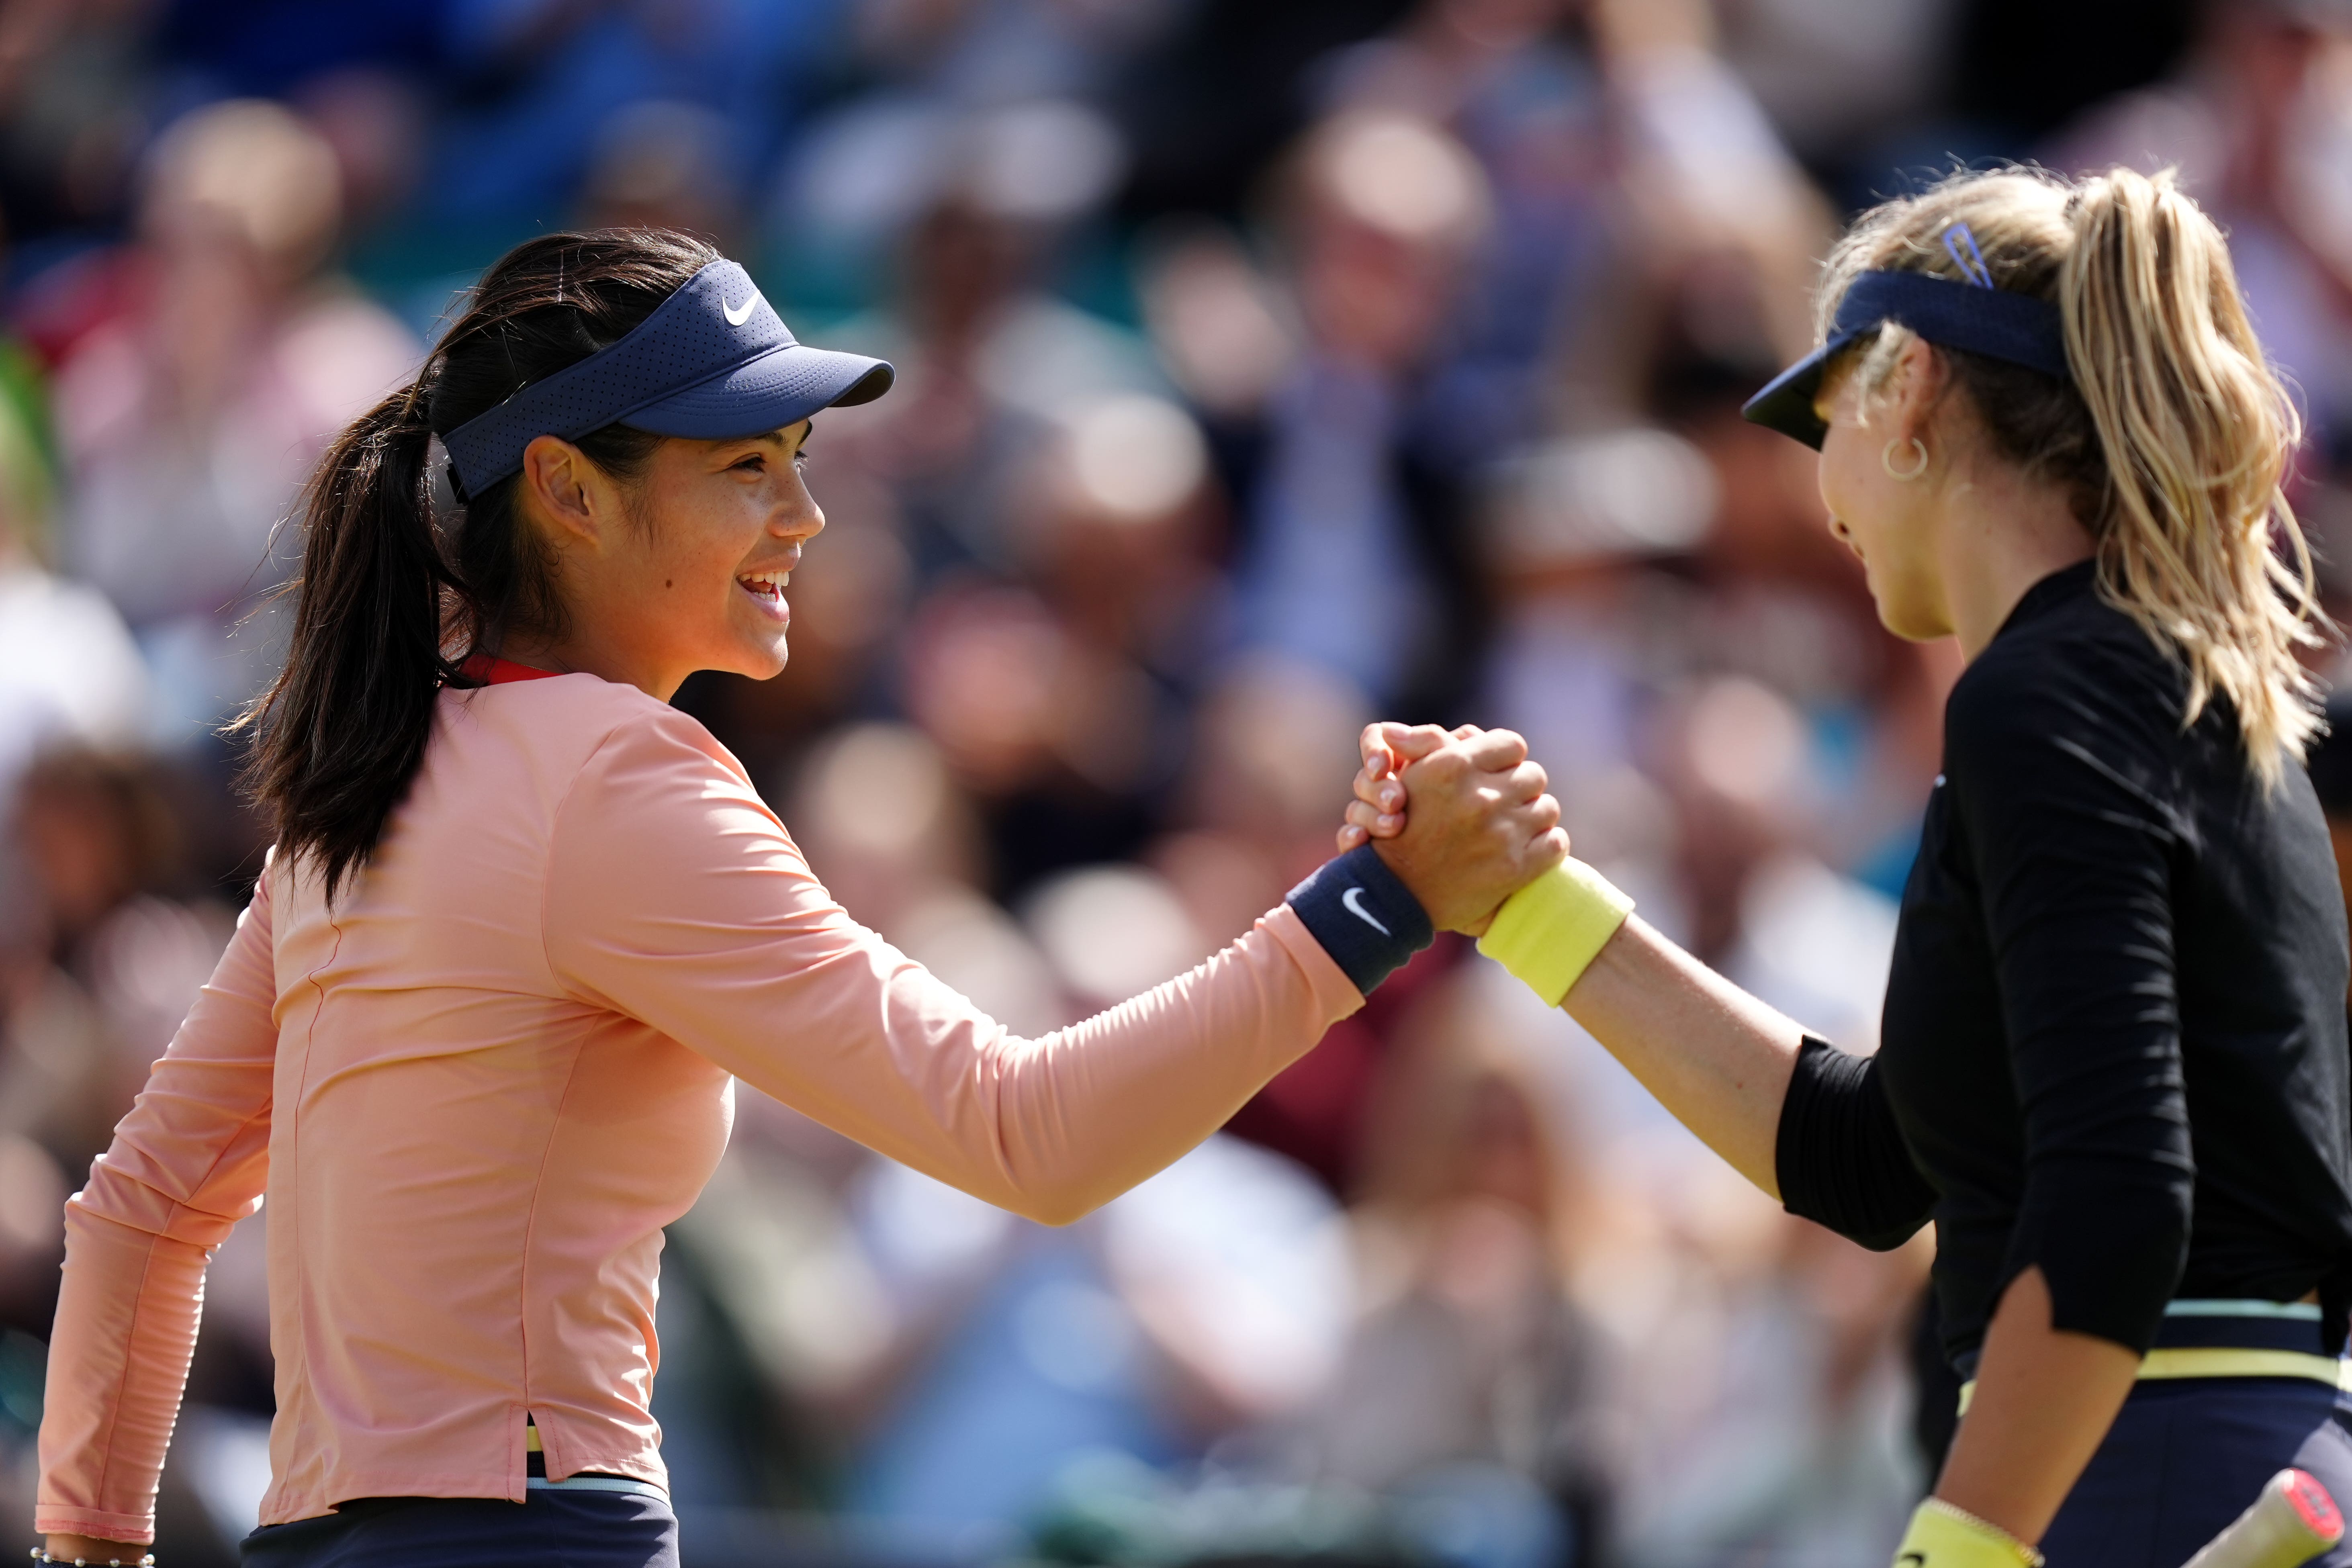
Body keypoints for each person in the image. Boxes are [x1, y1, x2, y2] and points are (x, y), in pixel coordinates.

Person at [31, 228, 1569, 1568]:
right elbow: (1023, 1135)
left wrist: (92, 1537)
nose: (803, 517)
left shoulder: (358, 794)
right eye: (743, 468)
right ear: (565, 489)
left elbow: (141, 1213)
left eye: (800, 464)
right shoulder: (623, 777)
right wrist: (1378, 905)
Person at [1345, 166, 2352, 1566]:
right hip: (2227, 1467)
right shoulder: (2156, 694)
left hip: (2141, 1480)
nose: (1814, 488)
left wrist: (1965, 1542)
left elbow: (2119, 1199)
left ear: (1913, 391)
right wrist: (1522, 902)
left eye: (1822, 421)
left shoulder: (2044, 699)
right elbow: (1872, 1165)